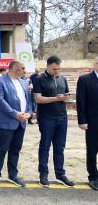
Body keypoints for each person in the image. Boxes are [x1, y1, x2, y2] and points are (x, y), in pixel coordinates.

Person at [33, 55, 75, 188]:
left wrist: (70, 99)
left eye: (59, 69)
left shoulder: (63, 79)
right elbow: (38, 99)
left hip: (62, 117)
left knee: (60, 148)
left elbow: (67, 96)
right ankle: (43, 175)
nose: (57, 71)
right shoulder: (39, 79)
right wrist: (56, 99)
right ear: (47, 66)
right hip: (46, 118)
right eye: (54, 69)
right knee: (45, 147)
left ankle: (60, 175)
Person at [0, 60, 32, 189]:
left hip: (21, 122)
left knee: (15, 150)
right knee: (1, 150)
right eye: (23, 68)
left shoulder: (23, 82)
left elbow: (28, 100)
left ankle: (12, 175)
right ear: (15, 68)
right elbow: (0, 101)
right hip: (6, 122)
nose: (25, 71)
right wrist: (15, 114)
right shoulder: (0, 81)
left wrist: (29, 113)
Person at [76, 56, 98, 190]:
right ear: (94, 63)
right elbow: (81, 101)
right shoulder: (85, 79)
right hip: (92, 122)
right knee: (92, 151)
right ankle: (93, 177)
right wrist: (82, 121)